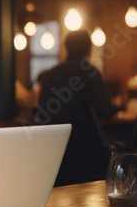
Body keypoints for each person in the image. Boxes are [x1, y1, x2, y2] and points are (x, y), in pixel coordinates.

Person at [37, 30, 114, 186]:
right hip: (88, 150)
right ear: (89, 49)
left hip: (56, 151)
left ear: (66, 48)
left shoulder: (52, 73)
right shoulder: (90, 72)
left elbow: (41, 113)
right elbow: (107, 111)